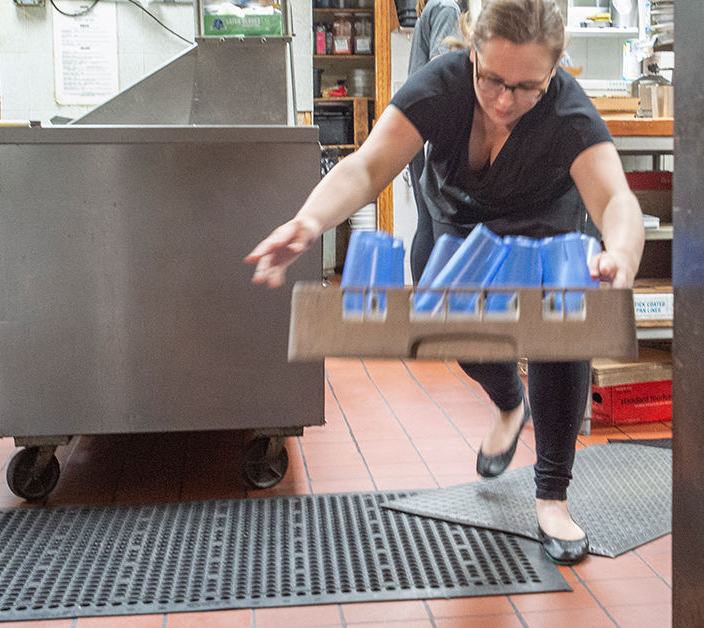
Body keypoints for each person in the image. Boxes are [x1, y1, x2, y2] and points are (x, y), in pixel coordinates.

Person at [245, 0, 644, 565]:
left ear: (554, 69)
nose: (506, 101)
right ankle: (510, 403)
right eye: (493, 79)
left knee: (561, 339)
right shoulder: (443, 86)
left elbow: (615, 200)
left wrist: (622, 254)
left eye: (527, 86)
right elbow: (366, 167)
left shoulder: (569, 115)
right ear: (472, 51)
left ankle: (552, 497)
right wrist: (308, 223)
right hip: (453, 223)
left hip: (543, 229)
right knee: (453, 334)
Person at [406, 0, 465, 281]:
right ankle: (431, 304)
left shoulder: (435, 6)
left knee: (426, 223)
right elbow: (442, 68)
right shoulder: (447, 8)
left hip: (419, 130)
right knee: (437, 227)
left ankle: (422, 301)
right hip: (433, 132)